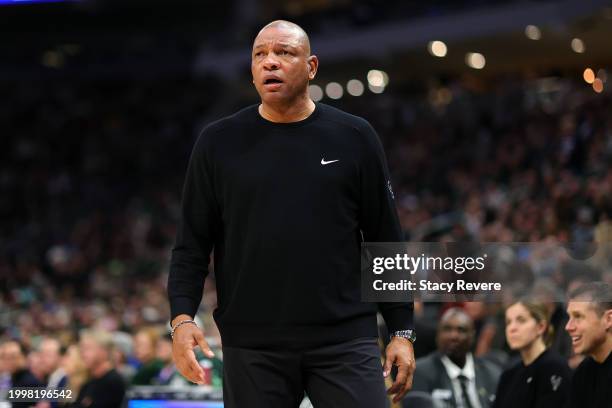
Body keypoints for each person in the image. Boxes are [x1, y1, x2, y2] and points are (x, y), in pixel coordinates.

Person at [167, 19, 415, 407]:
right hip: (253, 346)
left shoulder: (355, 136)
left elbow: (385, 239)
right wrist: (181, 319)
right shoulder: (217, 142)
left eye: (284, 53)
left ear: (311, 67)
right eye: (260, 55)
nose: (270, 62)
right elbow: (191, 246)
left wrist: (402, 330)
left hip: (344, 339)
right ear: (251, 71)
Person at [411, 308, 501, 408]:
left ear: (472, 336)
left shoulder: (492, 374)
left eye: (461, 330)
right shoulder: (420, 372)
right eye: (447, 329)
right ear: (437, 335)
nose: (453, 336)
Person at [492, 301, 571, 408]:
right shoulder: (509, 375)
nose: (512, 328)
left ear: (540, 327)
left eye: (521, 320)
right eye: (508, 322)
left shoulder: (555, 367)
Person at [565, 282, 612, 408]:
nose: (568, 327)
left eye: (578, 316)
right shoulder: (583, 371)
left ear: (608, 319)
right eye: (569, 317)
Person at [73, 330, 126, 408]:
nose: (82, 353)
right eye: (82, 348)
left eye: (87, 348)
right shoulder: (89, 381)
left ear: (104, 351)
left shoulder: (113, 382)